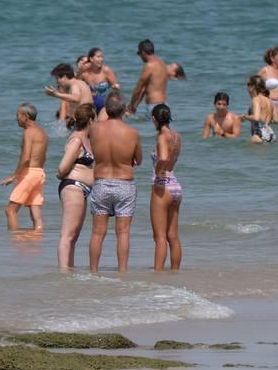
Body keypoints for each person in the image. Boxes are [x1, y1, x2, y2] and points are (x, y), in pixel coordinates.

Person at [88, 92, 141, 272]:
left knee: (97, 232)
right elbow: (138, 160)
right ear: (125, 110)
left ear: (105, 109)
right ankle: (122, 271)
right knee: (123, 232)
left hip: (101, 182)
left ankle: (93, 271)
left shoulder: (94, 129)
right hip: (124, 183)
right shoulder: (132, 133)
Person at [55, 102, 97, 270]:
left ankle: (69, 270)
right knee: (67, 234)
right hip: (73, 186)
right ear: (91, 120)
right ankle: (63, 271)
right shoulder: (76, 140)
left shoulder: (86, 139)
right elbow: (62, 167)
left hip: (83, 189)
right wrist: (60, 175)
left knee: (74, 235)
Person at [0, 102, 48, 230]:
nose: (16, 118)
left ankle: (14, 241)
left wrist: (14, 176)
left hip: (29, 174)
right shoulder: (42, 132)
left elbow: (26, 158)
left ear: (26, 116)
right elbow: (43, 157)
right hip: (39, 173)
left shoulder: (29, 132)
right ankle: (38, 238)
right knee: (35, 209)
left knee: (10, 211)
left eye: (18, 115)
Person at [150, 104, 183, 271]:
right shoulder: (177, 136)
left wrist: (157, 172)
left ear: (154, 119)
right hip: (176, 186)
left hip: (163, 186)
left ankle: (158, 274)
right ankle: (175, 272)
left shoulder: (162, 137)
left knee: (160, 237)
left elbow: (162, 158)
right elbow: (172, 159)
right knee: (173, 236)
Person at [127, 39, 170, 117]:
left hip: (154, 106)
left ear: (143, 52)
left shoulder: (149, 65)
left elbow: (138, 89)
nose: (139, 56)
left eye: (139, 53)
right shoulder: (162, 63)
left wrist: (131, 107)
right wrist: (134, 107)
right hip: (165, 105)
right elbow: (144, 89)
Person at [78, 47, 120, 114]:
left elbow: (116, 89)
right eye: (98, 57)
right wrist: (80, 70)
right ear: (91, 59)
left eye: (102, 57)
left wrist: (116, 88)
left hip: (105, 106)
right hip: (89, 106)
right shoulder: (84, 73)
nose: (101, 59)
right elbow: (76, 87)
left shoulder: (106, 70)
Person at [243, 74, 278, 143]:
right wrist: (265, 121)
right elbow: (276, 120)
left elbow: (256, 117)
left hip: (259, 134)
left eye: (248, 85)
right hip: (270, 134)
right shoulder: (270, 101)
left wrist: (245, 116)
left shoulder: (256, 99)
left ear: (253, 87)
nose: (246, 88)